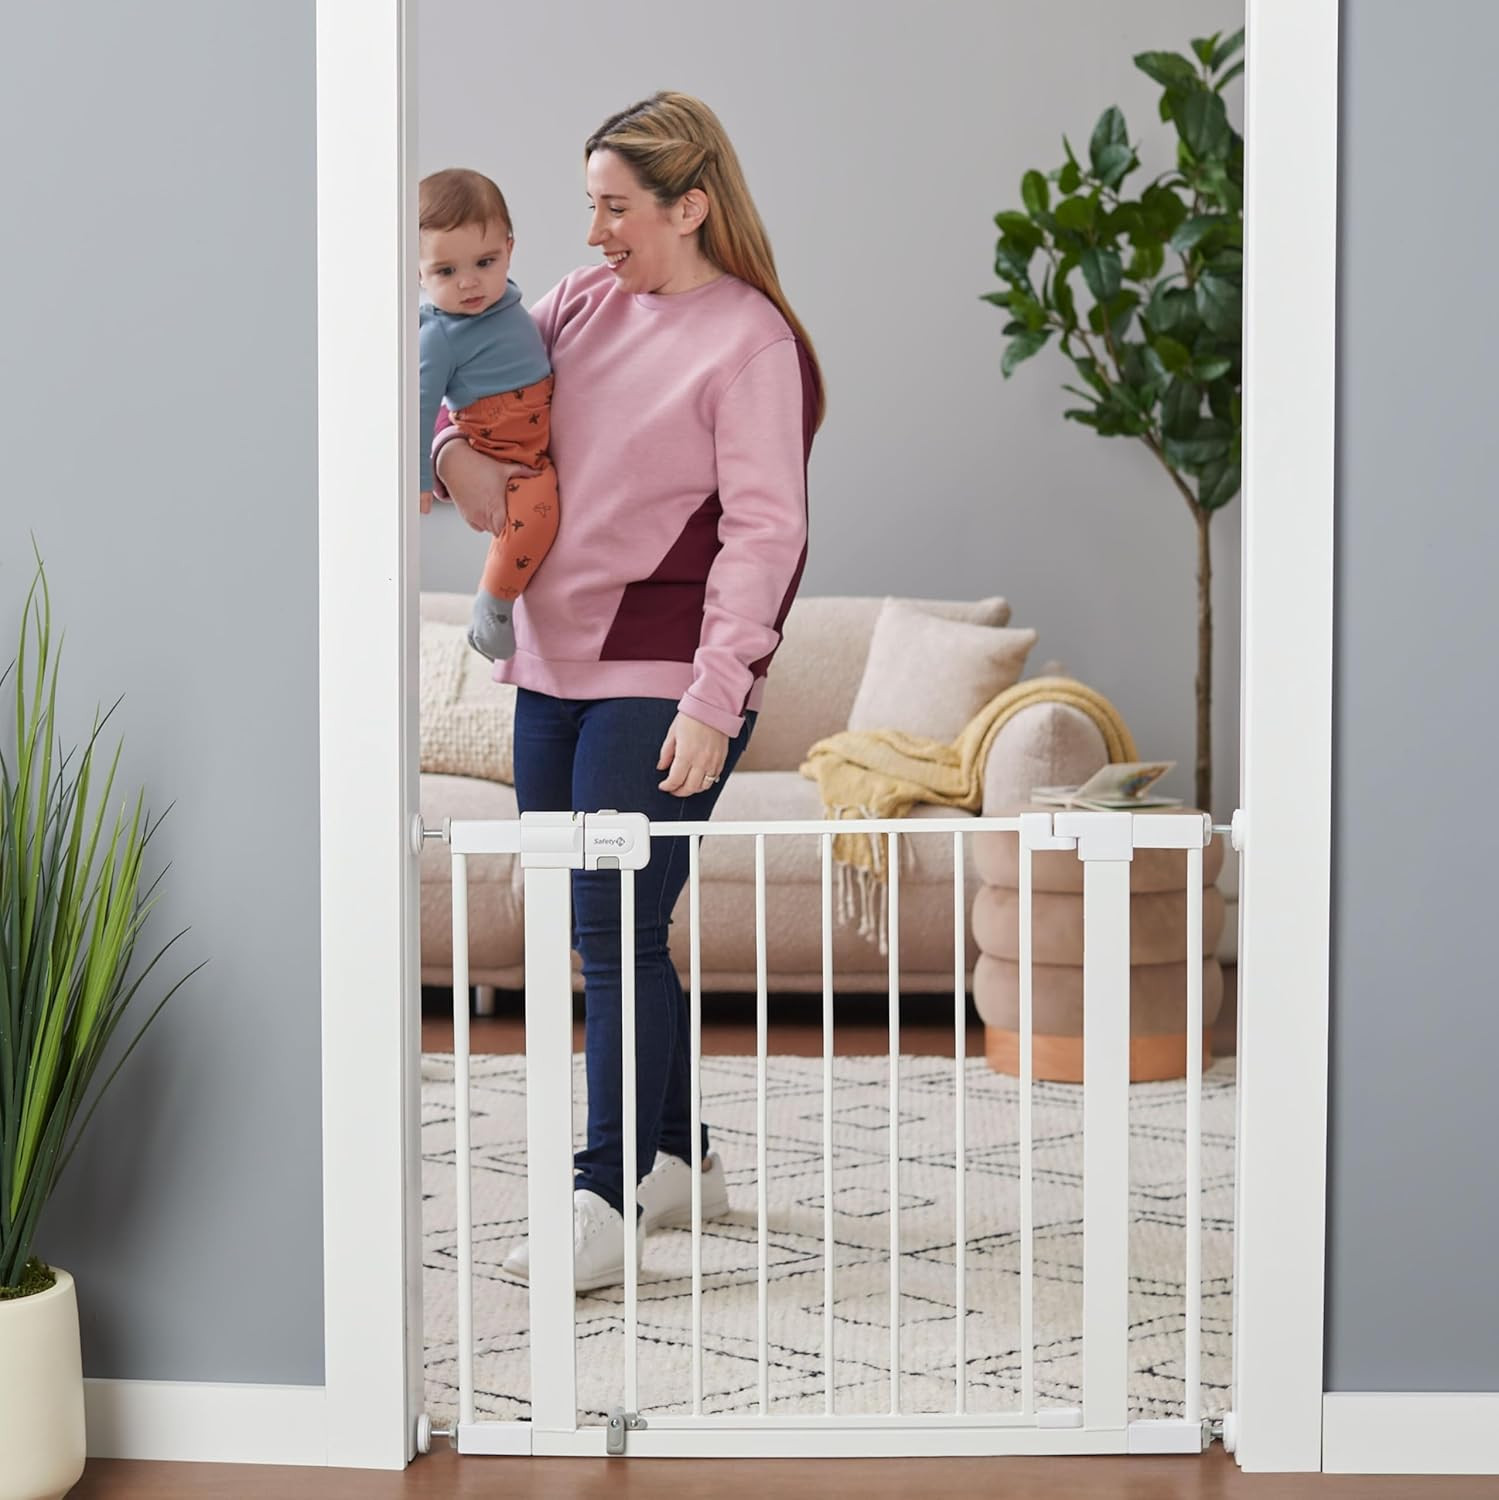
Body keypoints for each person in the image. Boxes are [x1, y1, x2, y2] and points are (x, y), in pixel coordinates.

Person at [429, 91, 824, 1290]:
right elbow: (469, 381)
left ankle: (603, 1196)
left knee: (610, 927)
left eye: (614, 207)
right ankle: (680, 1156)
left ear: (686, 207)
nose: (593, 231)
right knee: (594, 921)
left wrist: (715, 697)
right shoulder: (576, 305)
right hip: (549, 663)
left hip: (664, 673)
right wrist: (448, 454)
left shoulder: (749, 343)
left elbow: (765, 535)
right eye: (588, 206)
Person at [418, 168, 559, 661]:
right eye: (445, 271)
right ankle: (494, 603)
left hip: (530, 439)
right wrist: (421, 476)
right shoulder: (438, 335)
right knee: (536, 514)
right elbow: (422, 405)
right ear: (418, 273)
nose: (469, 282)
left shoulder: (512, 303)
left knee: (538, 511)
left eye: (485, 261)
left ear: (509, 249)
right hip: (497, 444)